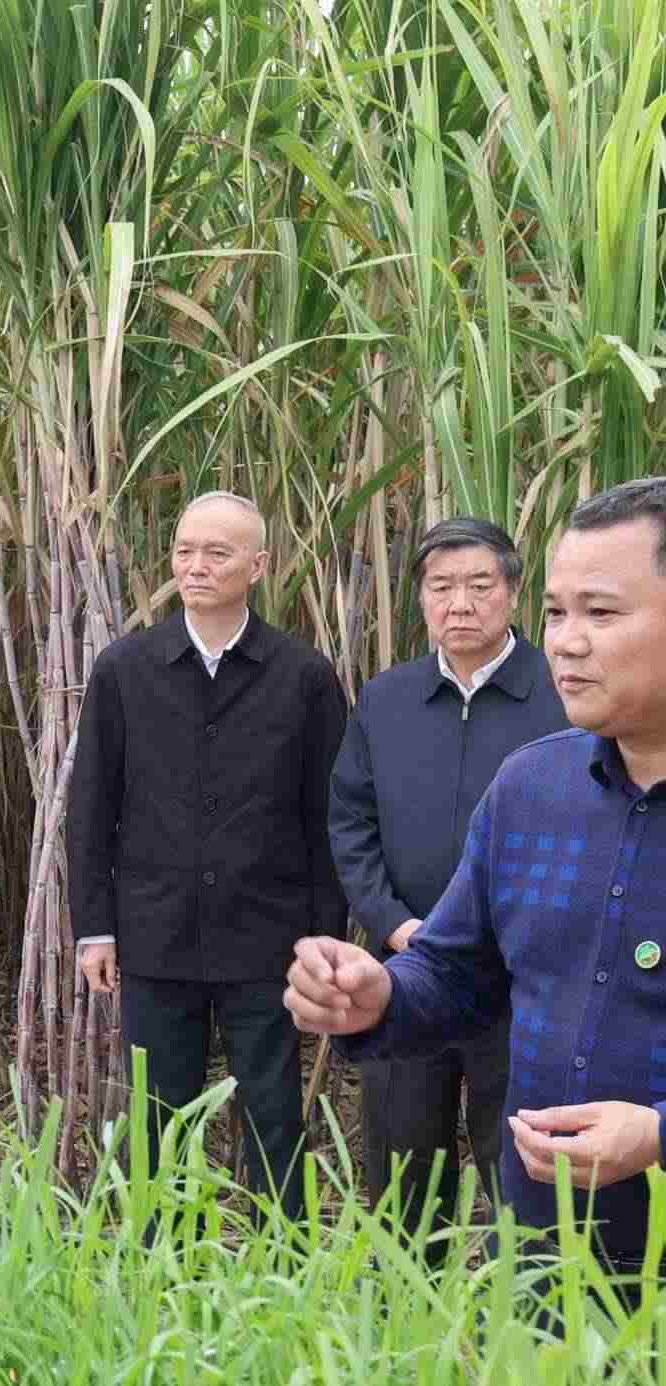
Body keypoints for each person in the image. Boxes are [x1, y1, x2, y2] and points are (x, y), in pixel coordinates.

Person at [288, 476, 666, 1289]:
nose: (566, 642)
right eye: (557, 613)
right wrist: (379, 995)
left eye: (600, 614)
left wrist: (658, 1137)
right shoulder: (530, 789)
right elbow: (458, 971)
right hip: (544, 1258)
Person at [68, 490, 348, 1218]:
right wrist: (94, 928)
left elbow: (327, 818)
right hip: (156, 933)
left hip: (270, 936)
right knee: (158, 1114)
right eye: (185, 550)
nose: (196, 566)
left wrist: (324, 937)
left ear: (258, 566)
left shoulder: (303, 676)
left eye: (217, 553)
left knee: (274, 1112)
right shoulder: (126, 669)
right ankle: (157, 1258)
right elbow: (92, 806)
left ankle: (281, 1254)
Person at [328, 519, 569, 1258]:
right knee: (403, 1172)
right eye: (441, 587)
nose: (459, 603)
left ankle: (527, 1315)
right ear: (421, 600)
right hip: (408, 972)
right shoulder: (386, 699)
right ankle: (409, 1312)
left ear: (514, 592)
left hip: (525, 981)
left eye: (479, 585)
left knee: (523, 1175)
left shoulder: (561, 694)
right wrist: (395, 925)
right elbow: (352, 824)